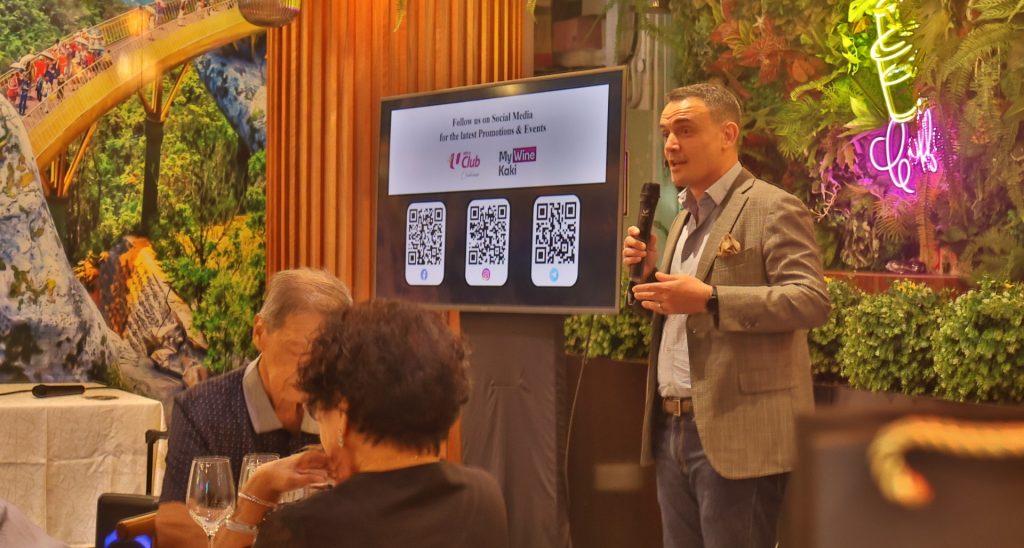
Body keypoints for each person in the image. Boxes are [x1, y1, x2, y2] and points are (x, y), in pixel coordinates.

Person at [621, 82, 830, 548]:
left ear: (727, 134)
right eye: (666, 133)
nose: (670, 145)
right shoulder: (682, 219)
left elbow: (810, 300)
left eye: (685, 130)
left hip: (741, 435)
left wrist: (713, 299)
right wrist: (649, 277)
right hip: (671, 428)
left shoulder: (773, 207)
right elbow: (679, 316)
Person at [213, 300, 509, 548]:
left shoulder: (301, 528)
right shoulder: (483, 497)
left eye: (319, 410)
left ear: (342, 414)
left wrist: (257, 492)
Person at [155, 268, 352, 547]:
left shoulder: (345, 411)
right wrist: (256, 498)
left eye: (324, 355)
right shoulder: (203, 408)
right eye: (297, 350)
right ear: (260, 332)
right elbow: (175, 527)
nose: (309, 368)